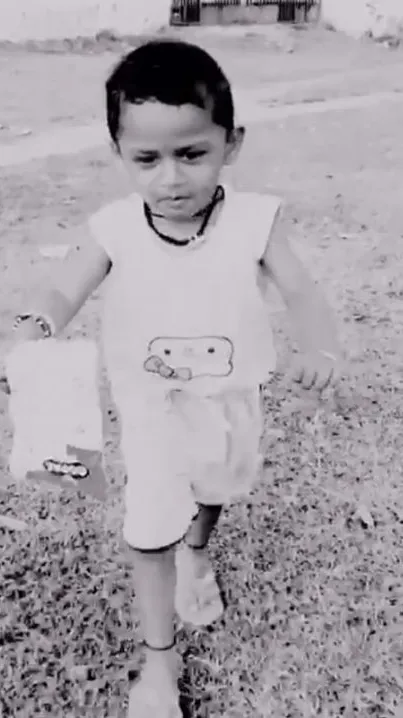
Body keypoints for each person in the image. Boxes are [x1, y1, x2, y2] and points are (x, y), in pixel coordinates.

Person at [1, 39, 343, 718]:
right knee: (148, 522)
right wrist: (34, 330)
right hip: (150, 403)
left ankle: (197, 549)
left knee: (218, 484)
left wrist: (320, 353)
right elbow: (62, 290)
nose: (171, 179)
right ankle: (158, 667)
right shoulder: (114, 228)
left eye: (192, 154)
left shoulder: (255, 221)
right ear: (118, 154)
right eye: (146, 160)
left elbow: (302, 292)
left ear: (231, 142)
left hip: (231, 396)